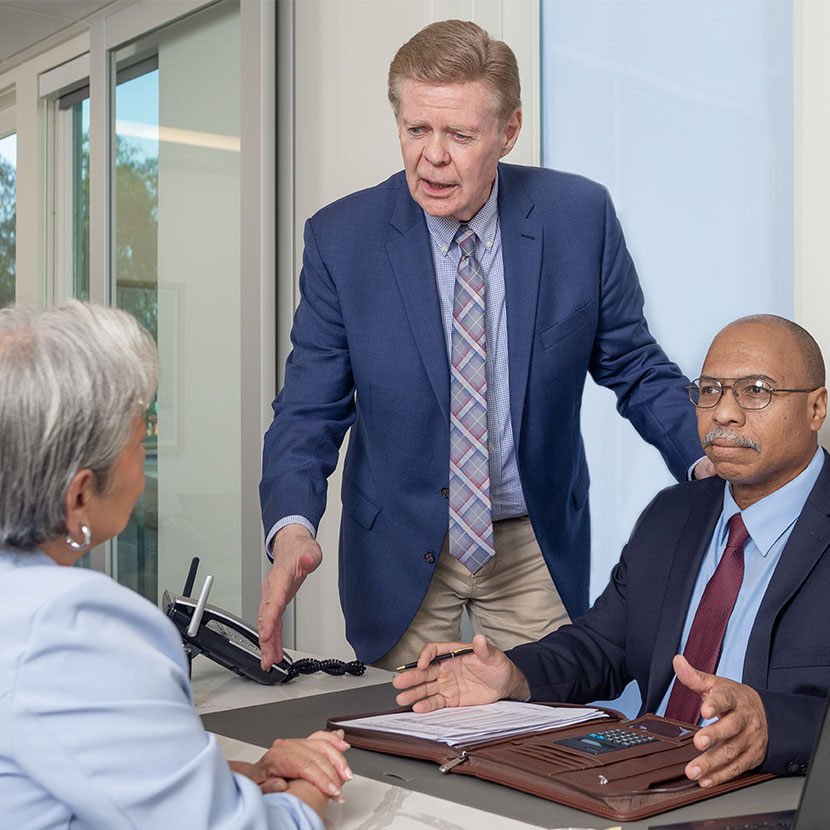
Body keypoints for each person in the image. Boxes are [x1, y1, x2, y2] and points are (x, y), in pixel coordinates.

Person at [259, 19, 710, 671]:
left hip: (531, 543)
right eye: (417, 129)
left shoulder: (579, 218)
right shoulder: (342, 240)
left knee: (539, 717)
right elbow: (308, 411)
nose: (432, 157)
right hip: (399, 546)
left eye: (460, 135)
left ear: (509, 130)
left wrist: (707, 460)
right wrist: (292, 528)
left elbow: (636, 367)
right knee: (408, 725)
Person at [394, 314, 830, 788]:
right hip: (643, 778)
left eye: (756, 391)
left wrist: (773, 728)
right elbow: (601, 646)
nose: (724, 413)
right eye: (710, 390)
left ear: (816, 408)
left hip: (770, 790)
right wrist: (514, 674)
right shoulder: (672, 513)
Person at [0, 301, 351, 829]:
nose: (146, 459)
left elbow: (56, 767)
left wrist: (233, 775)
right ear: (80, 497)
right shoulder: (76, 631)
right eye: (138, 443)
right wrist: (312, 784)